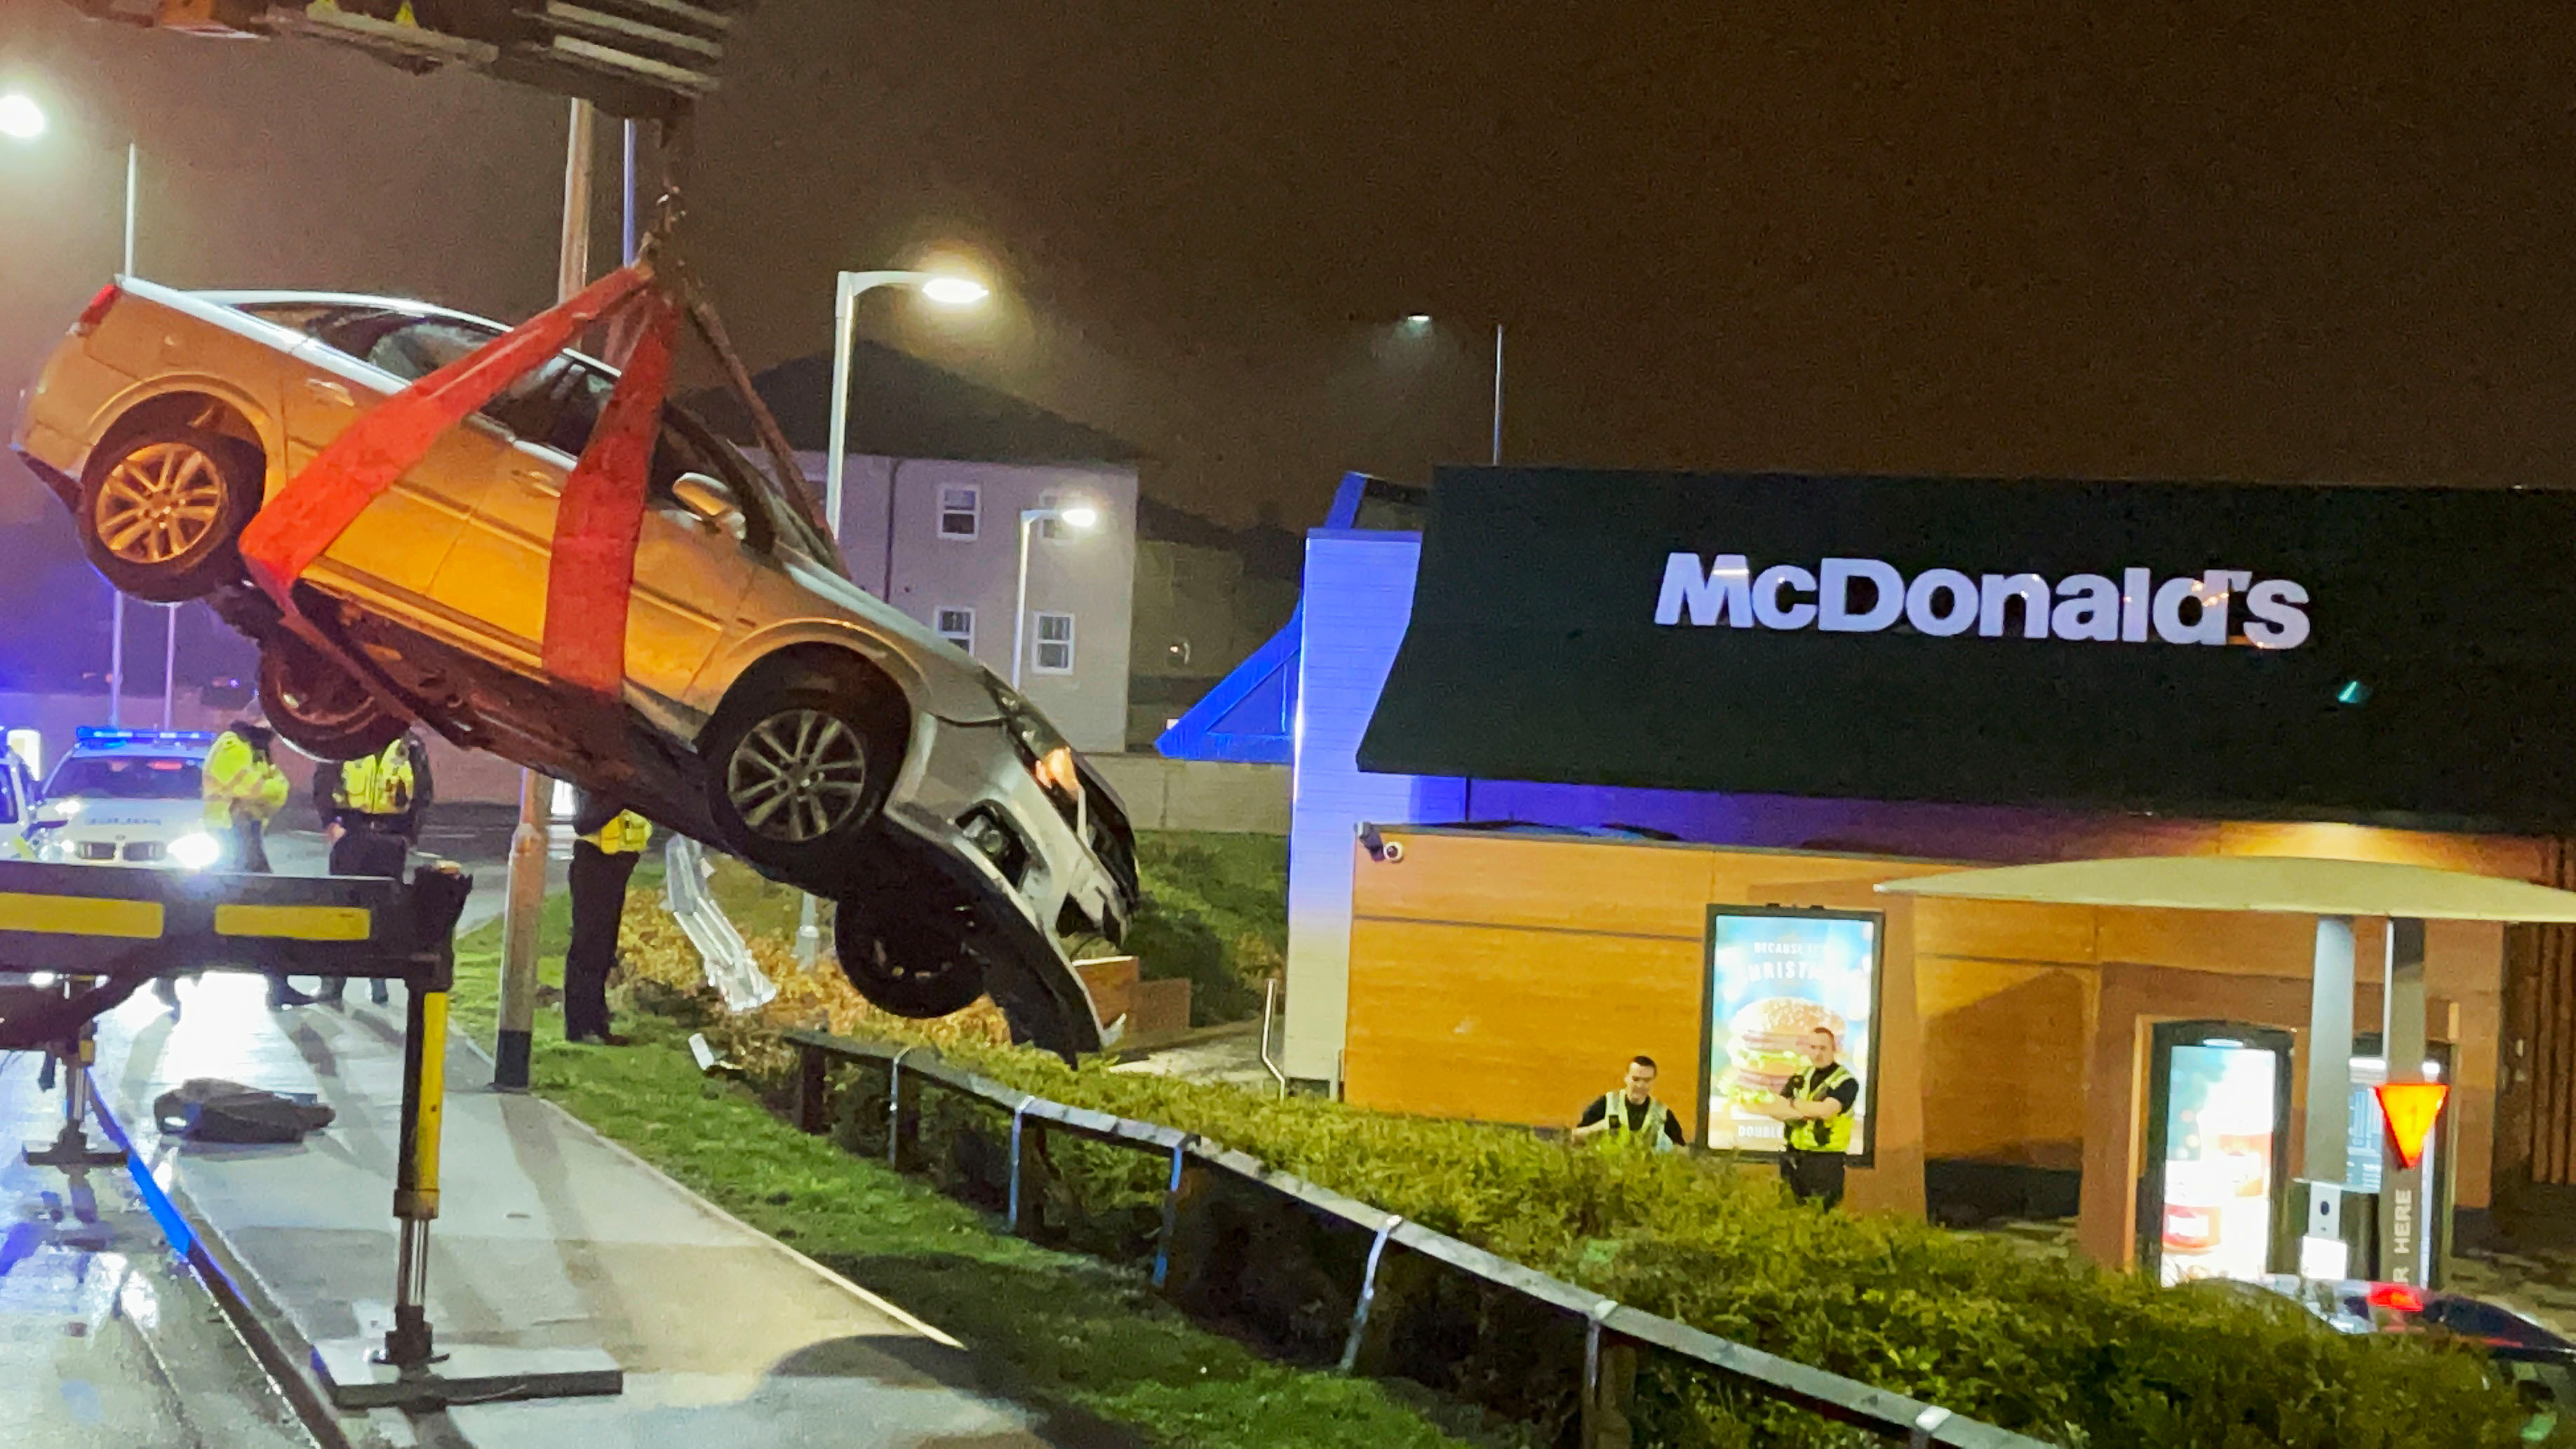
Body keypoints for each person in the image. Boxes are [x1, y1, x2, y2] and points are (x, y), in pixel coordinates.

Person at [311, 729, 433, 1006]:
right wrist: (330, 824)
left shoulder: (410, 745)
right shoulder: (345, 736)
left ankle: (379, 979)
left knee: (384, 912)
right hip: (352, 835)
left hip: (390, 838)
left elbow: (423, 794)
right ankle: (333, 981)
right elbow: (323, 781)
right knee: (342, 909)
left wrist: (408, 836)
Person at [201, 711, 306, 1009]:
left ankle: (279, 985)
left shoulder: (255, 750)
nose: (274, 735)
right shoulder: (233, 746)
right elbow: (257, 790)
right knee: (253, 912)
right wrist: (270, 787)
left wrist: (271, 788)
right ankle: (279, 986)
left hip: (244, 835)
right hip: (230, 836)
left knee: (251, 913)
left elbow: (280, 789)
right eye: (272, 728)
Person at [564, 788, 650, 1046]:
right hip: (596, 860)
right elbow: (586, 821)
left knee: (602, 949)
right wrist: (623, 795)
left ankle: (595, 1022)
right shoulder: (597, 782)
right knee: (590, 949)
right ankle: (583, 1027)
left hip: (615, 862)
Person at [1745, 1027, 1859, 1207]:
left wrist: (1794, 1105)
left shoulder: (1846, 1081)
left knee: (1821, 1217)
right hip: (1793, 1159)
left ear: (1834, 1049)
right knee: (1788, 1213)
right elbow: (1776, 1108)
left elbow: (1826, 1111)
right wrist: (1806, 1111)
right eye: (1813, 1047)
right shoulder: (1801, 1075)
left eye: (1823, 1048)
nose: (1817, 1053)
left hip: (1825, 1162)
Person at [1571, 1054, 1688, 1151]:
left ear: (1653, 1082)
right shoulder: (1608, 1103)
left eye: (1647, 1081)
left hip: (1642, 1171)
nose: (1640, 1085)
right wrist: (1600, 1127)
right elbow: (1575, 1137)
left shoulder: (1661, 1113)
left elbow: (1683, 1151)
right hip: (1606, 1169)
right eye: (1635, 1079)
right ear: (1626, 1078)